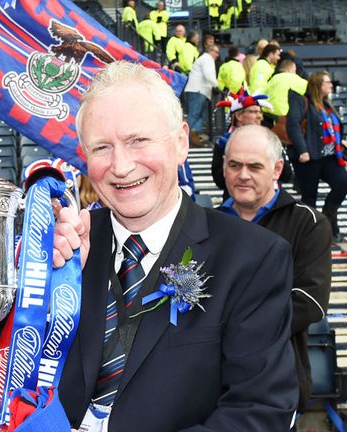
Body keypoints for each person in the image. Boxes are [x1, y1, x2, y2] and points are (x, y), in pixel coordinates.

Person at [52, 61, 297, 430]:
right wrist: (50, 284)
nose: (120, 165)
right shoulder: (63, 247)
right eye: (102, 147)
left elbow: (259, 412)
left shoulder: (253, 258)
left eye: (138, 141)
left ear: (181, 142)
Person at [219, 125, 331, 415]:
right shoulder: (206, 223)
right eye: (234, 165)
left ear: (277, 169)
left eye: (255, 166)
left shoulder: (308, 223)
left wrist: (234, 327)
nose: (243, 175)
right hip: (212, 383)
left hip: (277, 381)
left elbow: (310, 301)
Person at [287, 71, 347, 242]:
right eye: (327, 82)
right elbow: (293, 125)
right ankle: (311, 233)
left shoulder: (327, 105)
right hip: (310, 156)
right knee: (309, 196)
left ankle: (327, 221)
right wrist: (302, 150)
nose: (331, 85)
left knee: (343, 183)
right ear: (318, 85)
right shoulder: (301, 101)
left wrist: (340, 141)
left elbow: (330, 129)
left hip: (329, 156)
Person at [184, 43, 219, 147]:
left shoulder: (204, 59)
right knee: (195, 114)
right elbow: (208, 74)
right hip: (198, 90)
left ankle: (193, 135)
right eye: (216, 52)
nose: (217, 55)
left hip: (200, 91)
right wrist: (215, 85)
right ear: (210, 51)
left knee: (200, 115)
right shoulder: (207, 59)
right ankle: (187, 138)